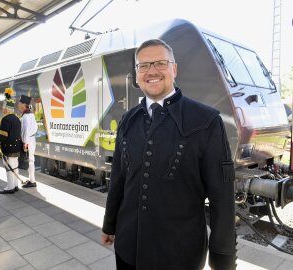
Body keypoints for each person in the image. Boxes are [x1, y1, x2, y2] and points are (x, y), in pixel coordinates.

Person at [101, 39, 236, 270]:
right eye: (143, 66)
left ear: (174, 69)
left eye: (160, 63)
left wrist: (222, 257)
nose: (151, 71)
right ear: (136, 74)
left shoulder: (207, 121)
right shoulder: (127, 120)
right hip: (127, 248)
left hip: (179, 255)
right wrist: (109, 225)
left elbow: (222, 196)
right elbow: (119, 179)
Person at [0, 88, 22, 194]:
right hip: (16, 147)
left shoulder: (5, 119)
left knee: (9, 167)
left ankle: (10, 187)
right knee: (15, 166)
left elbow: (3, 134)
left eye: (3, 106)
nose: (2, 108)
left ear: (7, 108)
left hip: (8, 147)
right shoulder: (16, 118)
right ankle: (15, 185)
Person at [18, 95, 38, 188]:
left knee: (30, 161)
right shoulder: (30, 114)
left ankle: (32, 181)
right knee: (31, 160)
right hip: (31, 140)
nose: (18, 105)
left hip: (28, 141)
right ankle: (31, 179)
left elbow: (25, 131)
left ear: (23, 104)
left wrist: (25, 143)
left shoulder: (26, 116)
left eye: (19, 103)